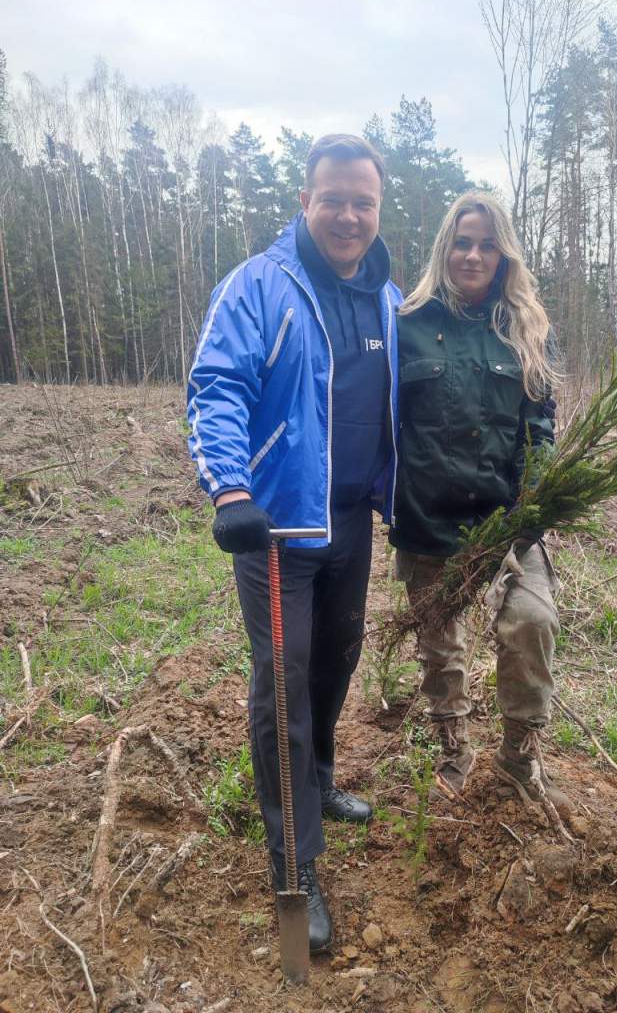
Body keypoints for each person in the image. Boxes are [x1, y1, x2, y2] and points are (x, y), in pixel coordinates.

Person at [187, 135, 401, 952]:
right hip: (275, 529)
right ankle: (294, 863)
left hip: (351, 523)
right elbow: (217, 386)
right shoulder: (258, 286)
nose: (348, 215)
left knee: (336, 661)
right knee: (284, 683)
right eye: (333, 198)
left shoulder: (384, 296)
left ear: (379, 209)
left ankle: (317, 782)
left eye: (363, 202)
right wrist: (231, 489)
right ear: (305, 200)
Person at [389, 190, 568, 811]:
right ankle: (454, 749)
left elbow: (540, 428)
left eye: (487, 244)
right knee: (441, 645)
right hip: (427, 517)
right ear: (445, 248)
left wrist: (531, 507)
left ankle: (518, 756)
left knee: (532, 623)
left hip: (507, 520)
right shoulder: (405, 323)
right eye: (462, 242)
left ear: (504, 253)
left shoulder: (527, 328)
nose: (473, 255)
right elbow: (380, 421)